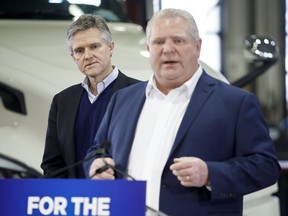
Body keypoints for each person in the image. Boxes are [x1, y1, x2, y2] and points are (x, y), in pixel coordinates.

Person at [83, 8, 281, 215]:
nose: (168, 50)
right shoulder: (123, 99)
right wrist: (95, 166)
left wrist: (209, 174)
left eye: (178, 41)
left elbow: (266, 167)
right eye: (159, 42)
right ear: (149, 48)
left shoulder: (235, 103)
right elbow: (96, 151)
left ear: (198, 47)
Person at [41, 14, 140, 178]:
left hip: (122, 196)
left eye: (94, 46)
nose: (87, 56)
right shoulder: (62, 101)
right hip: (76, 200)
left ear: (111, 47)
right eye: (79, 50)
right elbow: (53, 165)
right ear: (73, 57)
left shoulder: (139, 93)